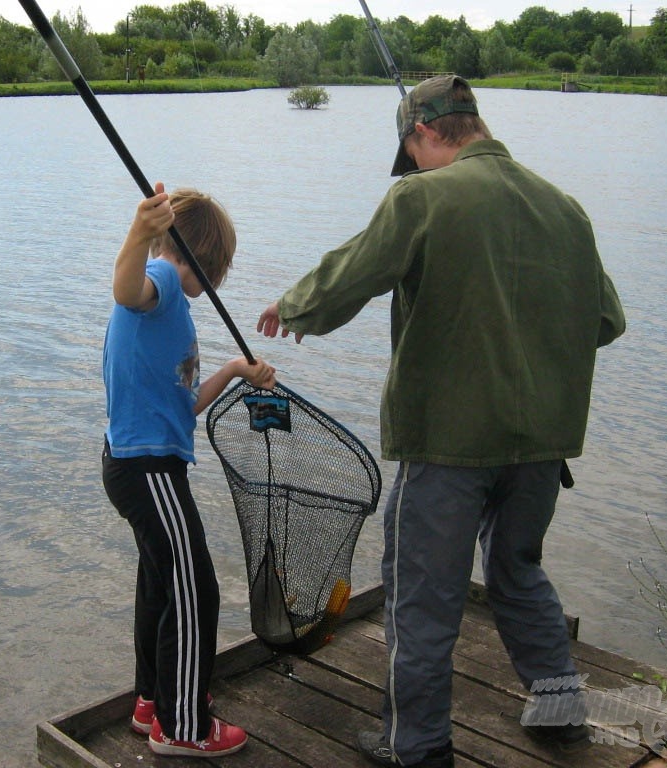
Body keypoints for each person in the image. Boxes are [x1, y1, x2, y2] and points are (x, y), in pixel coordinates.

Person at [257, 75, 625, 768]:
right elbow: (606, 320)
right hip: (541, 445)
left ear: (424, 134)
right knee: (517, 568)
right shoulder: (567, 209)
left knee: (421, 596)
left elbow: (354, 274)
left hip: (450, 444)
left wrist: (296, 306)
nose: (413, 168)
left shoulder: (421, 196)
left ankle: (417, 745)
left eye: (412, 153)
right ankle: (558, 706)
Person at [102, 182, 275, 759]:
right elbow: (128, 288)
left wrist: (231, 370)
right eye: (216, 271)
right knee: (196, 587)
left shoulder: (169, 301)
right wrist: (139, 232)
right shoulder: (167, 281)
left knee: (162, 579)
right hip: (150, 470)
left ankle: (151, 700)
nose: (214, 287)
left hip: (136, 465)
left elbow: (182, 403)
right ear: (199, 257)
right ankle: (183, 728)